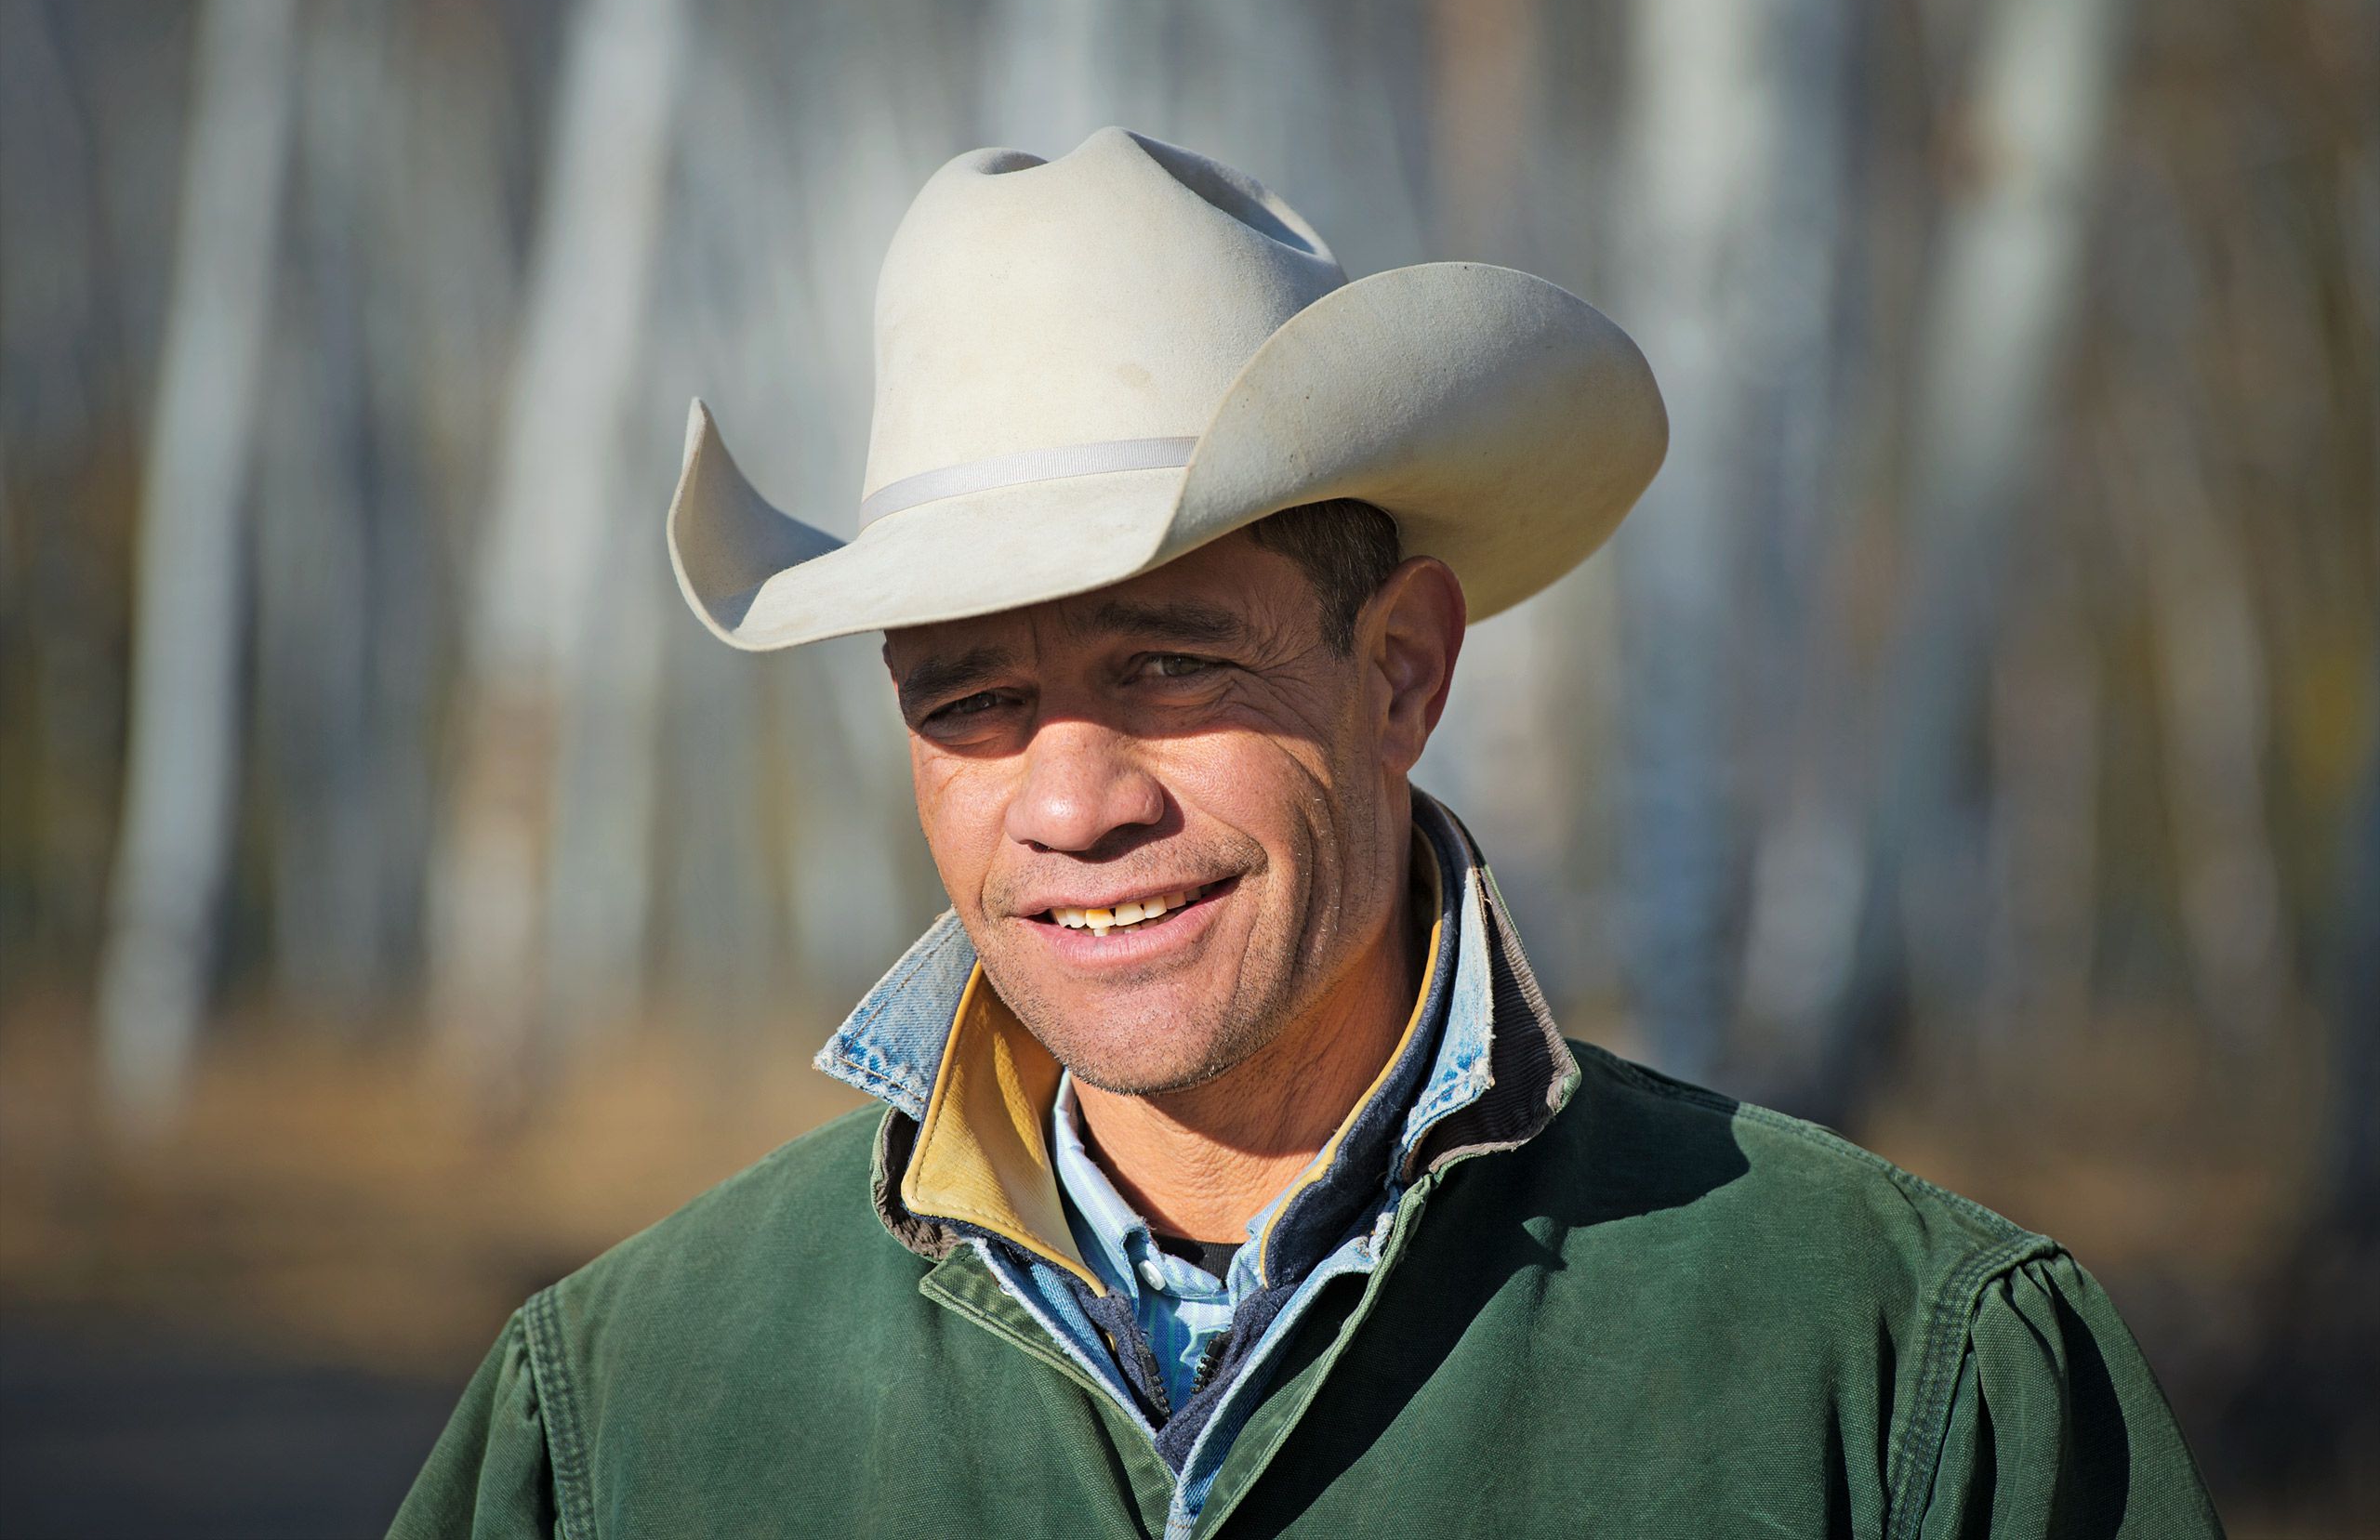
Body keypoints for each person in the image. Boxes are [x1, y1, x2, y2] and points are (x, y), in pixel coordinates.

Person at [392, 128, 2221, 1539]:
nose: (1071, 803)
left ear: (1402, 671)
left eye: (1170, 664)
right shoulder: (625, 1412)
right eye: (968, 699)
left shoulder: (1903, 1376)